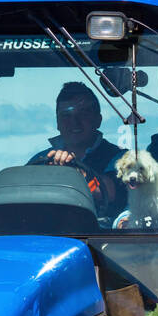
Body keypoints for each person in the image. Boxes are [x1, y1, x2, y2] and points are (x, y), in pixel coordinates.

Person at [28, 81, 126, 221]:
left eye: (84, 113)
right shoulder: (40, 160)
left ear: (98, 120)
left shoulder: (120, 159)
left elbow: (111, 192)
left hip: (100, 239)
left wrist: (74, 172)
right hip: (46, 238)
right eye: (66, 115)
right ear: (57, 122)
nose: (74, 122)